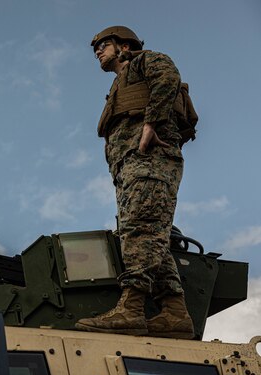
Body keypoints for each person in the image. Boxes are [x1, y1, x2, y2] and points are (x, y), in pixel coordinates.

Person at [74, 26, 194, 339]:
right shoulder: (118, 85)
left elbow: (168, 78)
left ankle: (131, 307)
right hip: (129, 168)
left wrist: (150, 124)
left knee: (141, 231)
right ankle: (174, 312)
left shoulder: (144, 62)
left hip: (149, 161)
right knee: (149, 235)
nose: (98, 51)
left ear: (123, 45)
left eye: (103, 45)